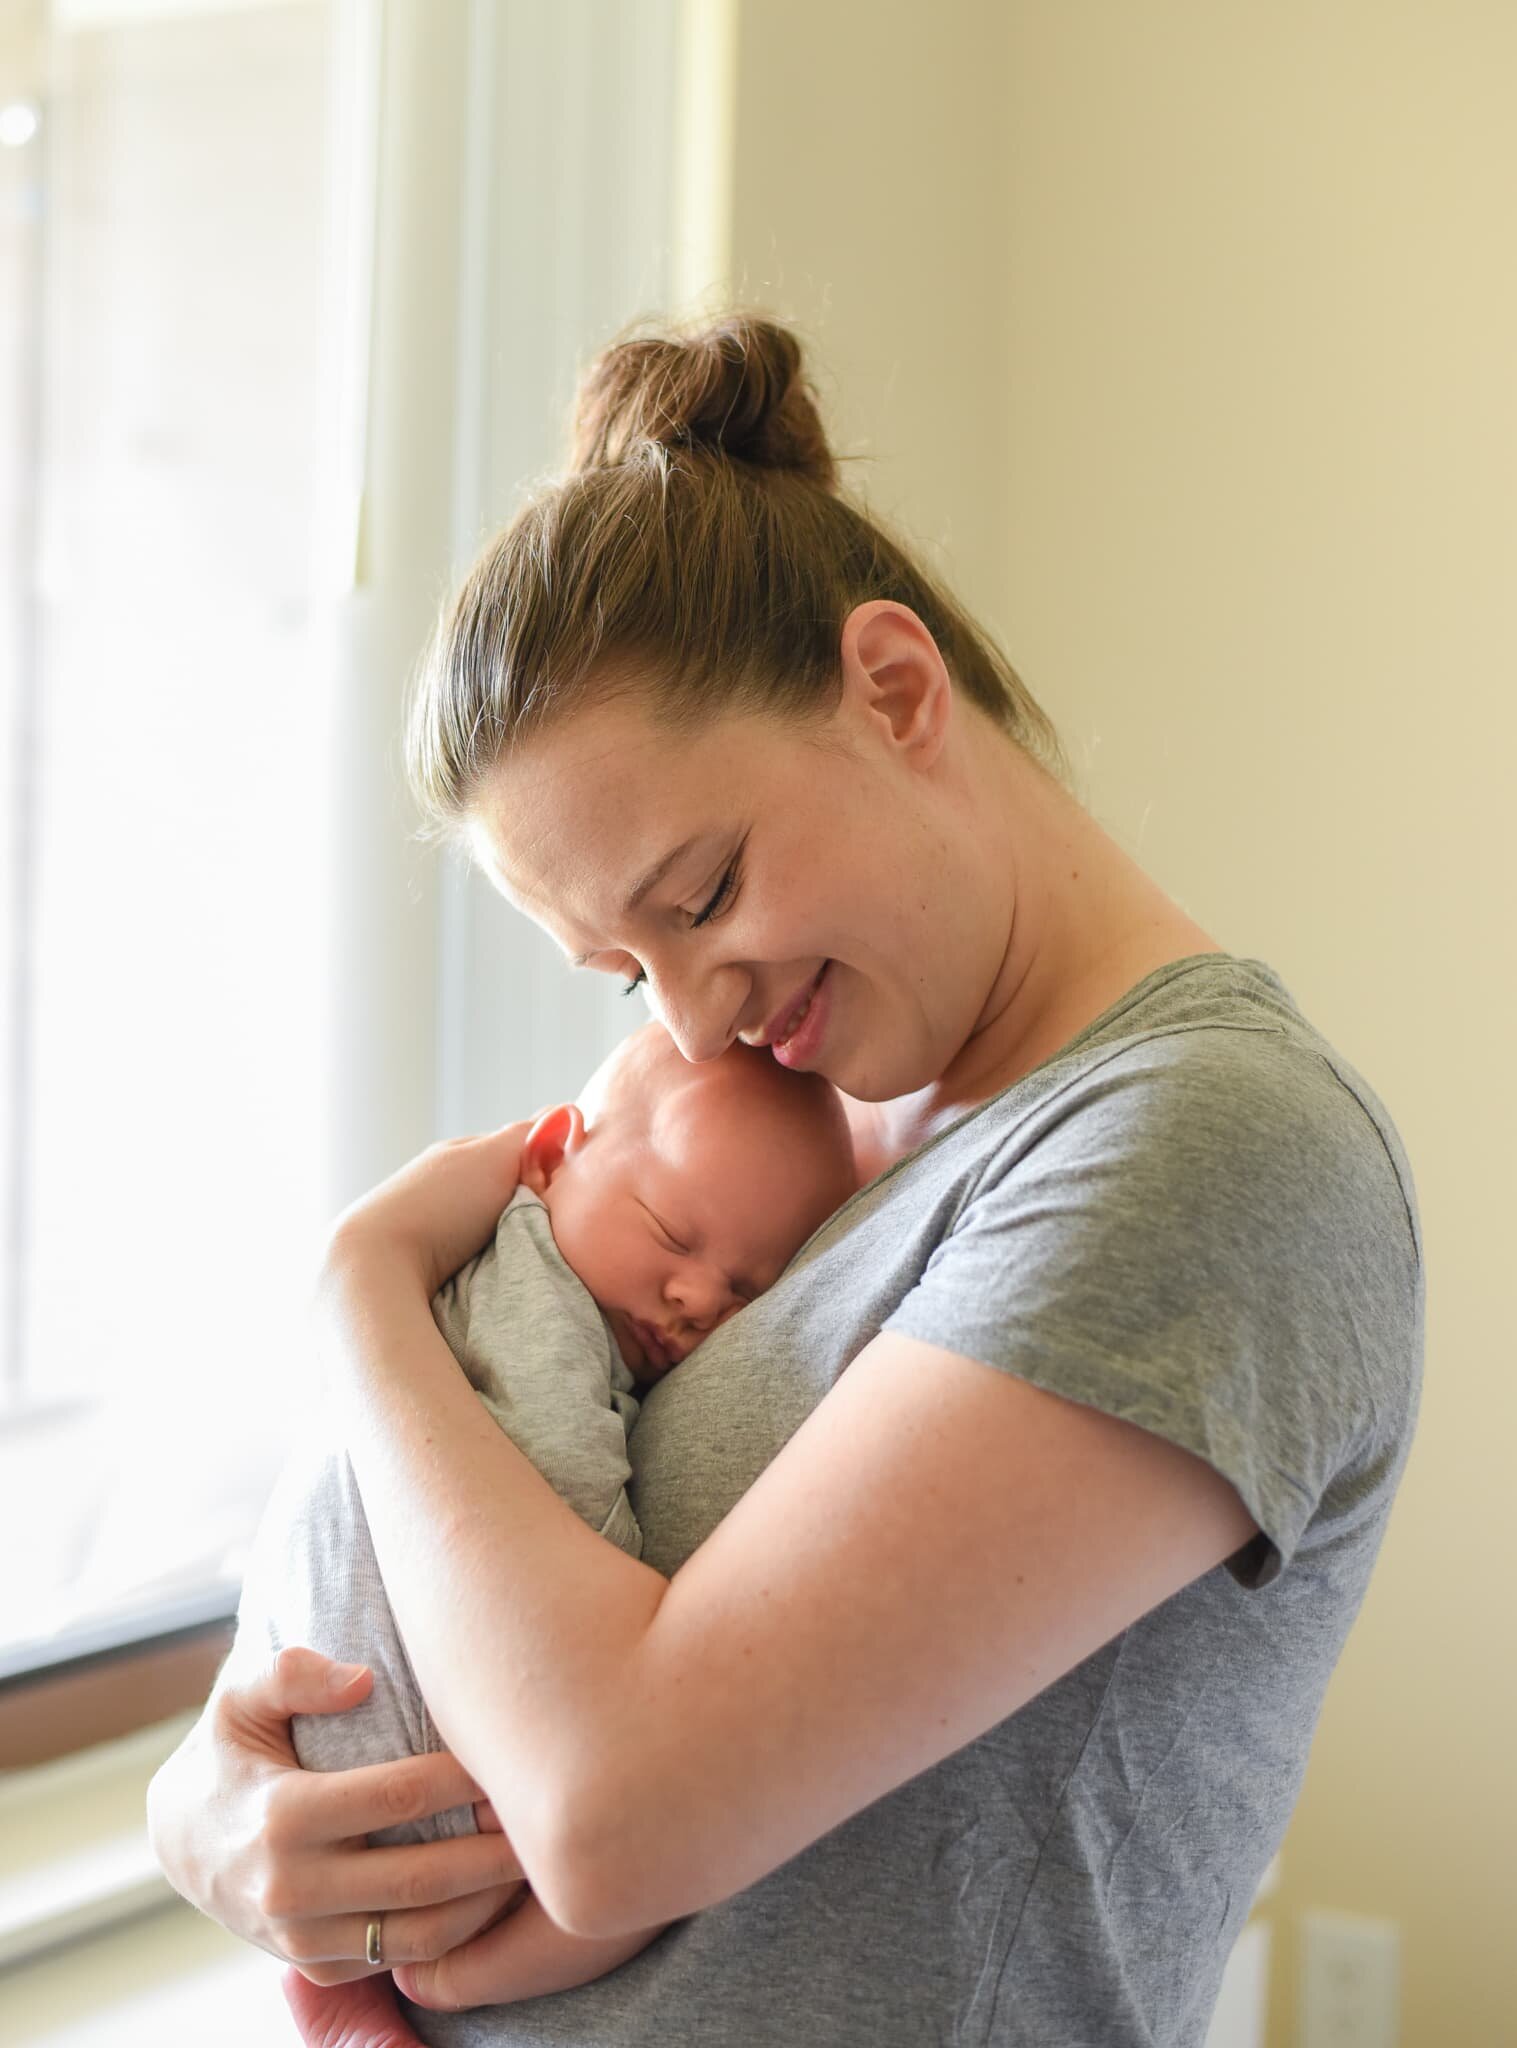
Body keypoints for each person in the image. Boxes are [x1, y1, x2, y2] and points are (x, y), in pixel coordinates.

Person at [147, 312, 1423, 2048]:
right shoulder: (798, 1123)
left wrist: (361, 1293)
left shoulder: (1201, 1149)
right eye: (620, 972)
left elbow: (613, 1811)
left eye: (704, 891)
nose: (693, 1010)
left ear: (893, 691)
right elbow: (440, 1533)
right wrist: (210, 1819)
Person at [227, 1021, 855, 2017]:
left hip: (343, 1752)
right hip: (393, 1745)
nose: (696, 1294)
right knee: (653, 1870)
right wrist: (639, 1616)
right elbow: (557, 1509)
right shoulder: (533, 1288)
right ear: (558, 1150)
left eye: (747, 1289)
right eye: (670, 1231)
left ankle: (375, 1995)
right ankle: (440, 1977)